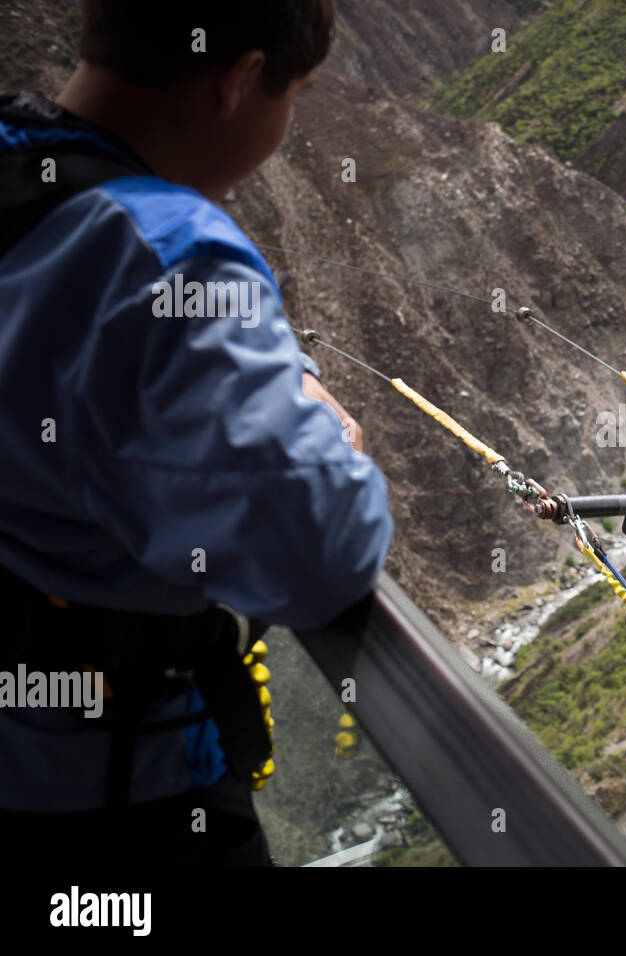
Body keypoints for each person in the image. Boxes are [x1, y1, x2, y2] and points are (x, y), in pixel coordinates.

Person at [0, 0, 392, 865]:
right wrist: (322, 430)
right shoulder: (164, 249)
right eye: (295, 91)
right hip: (99, 795)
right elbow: (317, 552)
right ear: (241, 78)